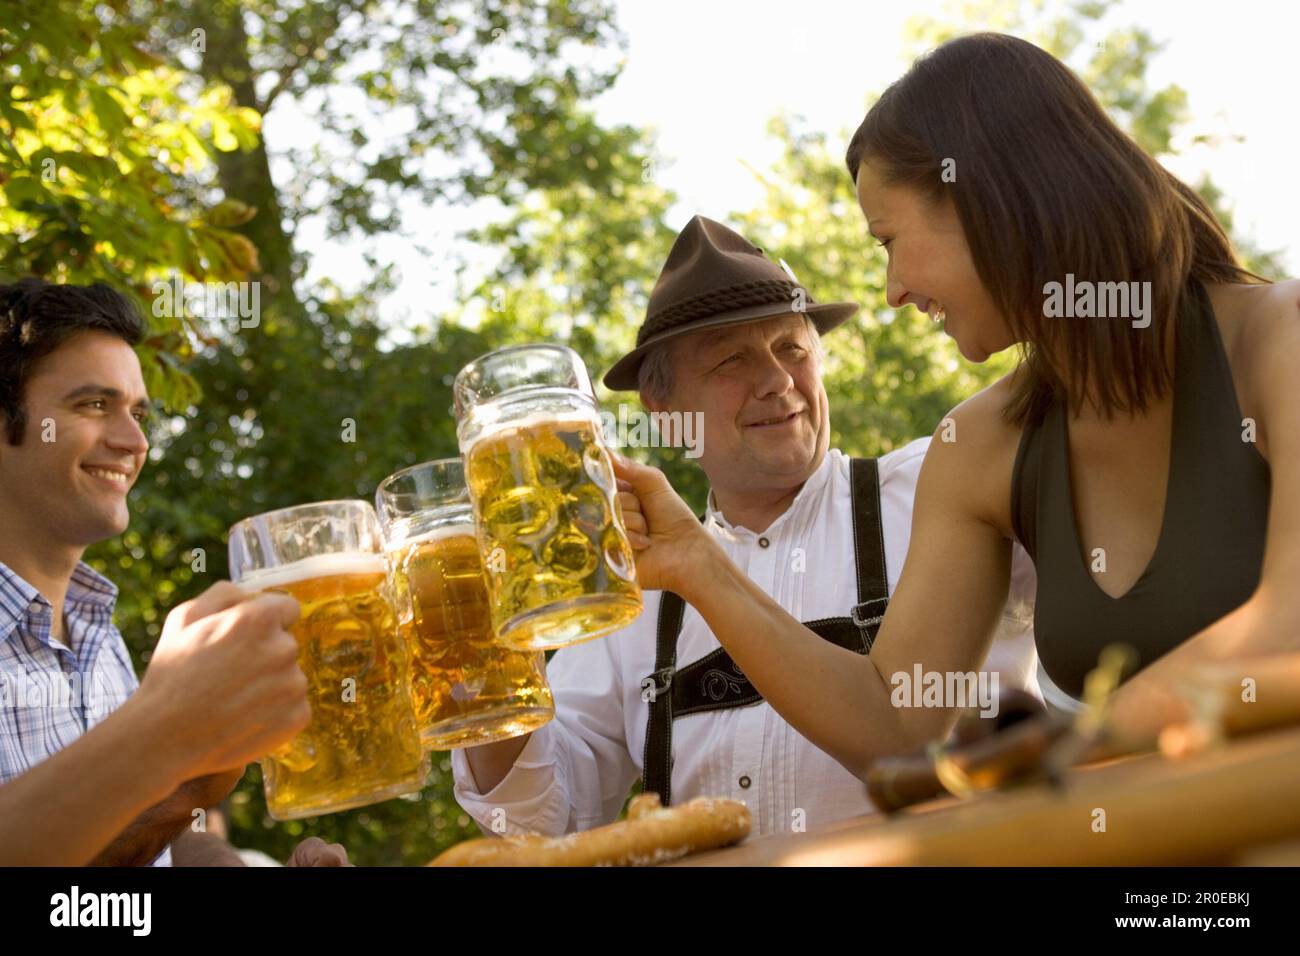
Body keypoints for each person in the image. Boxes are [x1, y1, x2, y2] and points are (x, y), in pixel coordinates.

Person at [610, 33, 1299, 780]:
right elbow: (896, 722)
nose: (893, 290)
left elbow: (1286, 622)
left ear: (995, 203)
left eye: (890, 240)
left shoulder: (1278, 341)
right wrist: (699, 567)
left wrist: (1074, 744)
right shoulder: (980, 444)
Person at [449, 216, 1040, 837]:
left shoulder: (938, 487)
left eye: (792, 348)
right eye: (731, 360)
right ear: (664, 408)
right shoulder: (629, 581)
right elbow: (539, 821)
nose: (779, 381)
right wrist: (480, 667)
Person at [0, 278, 347, 866]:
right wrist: (166, 730)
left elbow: (162, 841)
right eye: (93, 404)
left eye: (137, 412)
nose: (134, 440)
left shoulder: (96, 633)